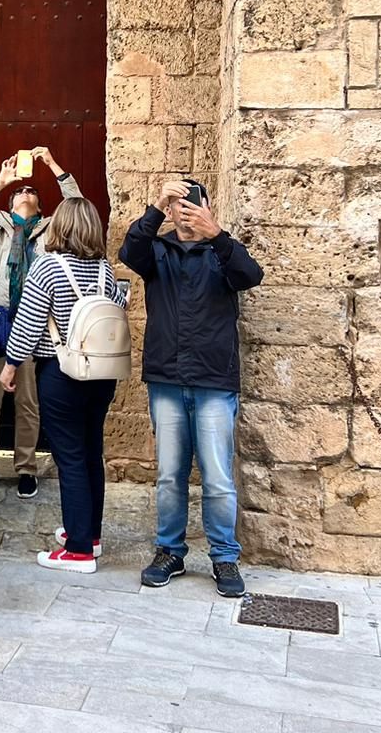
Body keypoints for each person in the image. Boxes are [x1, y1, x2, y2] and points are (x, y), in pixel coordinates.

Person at [120, 178, 263, 597]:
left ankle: (224, 557)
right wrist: (156, 205)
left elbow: (250, 275)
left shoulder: (223, 252)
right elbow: (130, 251)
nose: (185, 211)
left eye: (192, 203)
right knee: (169, 475)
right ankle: (170, 552)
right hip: (167, 378)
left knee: (218, 478)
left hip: (214, 381)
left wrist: (215, 232)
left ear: (207, 205)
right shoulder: (157, 250)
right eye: (178, 204)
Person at [0, 197, 123, 574]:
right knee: (89, 453)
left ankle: (79, 550)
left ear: (61, 226)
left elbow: (28, 323)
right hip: (101, 375)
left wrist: (10, 365)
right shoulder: (104, 269)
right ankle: (90, 534)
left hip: (61, 371)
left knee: (68, 456)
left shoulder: (47, 267)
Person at [0, 146, 83, 499]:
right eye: (21, 191)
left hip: (33, 325)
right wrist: (1, 182)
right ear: (11, 202)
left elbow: (76, 206)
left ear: (42, 207)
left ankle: (25, 467)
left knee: (28, 402)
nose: (26, 193)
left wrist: (53, 165)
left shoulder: (50, 231)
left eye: (31, 191)